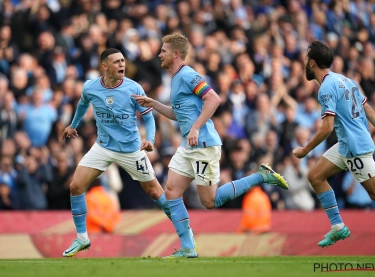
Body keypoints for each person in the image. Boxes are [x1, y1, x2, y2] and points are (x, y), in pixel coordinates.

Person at [132, 33, 289, 258]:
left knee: (210, 201)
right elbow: (178, 114)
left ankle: (261, 176)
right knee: (172, 191)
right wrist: (155, 104)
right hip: (189, 145)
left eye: (164, 51)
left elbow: (214, 98)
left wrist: (196, 127)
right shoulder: (175, 79)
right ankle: (187, 247)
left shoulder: (188, 75)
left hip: (203, 143)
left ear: (176, 54)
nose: (160, 54)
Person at [61, 48, 176, 257]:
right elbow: (82, 104)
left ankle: (185, 233)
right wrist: (73, 125)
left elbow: (148, 118)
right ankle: (82, 238)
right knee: (76, 186)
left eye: (123, 61)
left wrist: (149, 139)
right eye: (116, 62)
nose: (121, 64)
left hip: (131, 150)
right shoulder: (91, 87)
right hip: (103, 147)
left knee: (155, 192)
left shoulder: (134, 88)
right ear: (104, 66)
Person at [293, 41, 375, 248]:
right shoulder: (346, 80)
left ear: (312, 63)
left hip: (355, 148)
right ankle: (337, 226)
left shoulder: (325, 88)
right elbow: (367, 108)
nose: (305, 63)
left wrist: (305, 150)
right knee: (315, 176)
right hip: (346, 144)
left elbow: (327, 127)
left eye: (307, 59)